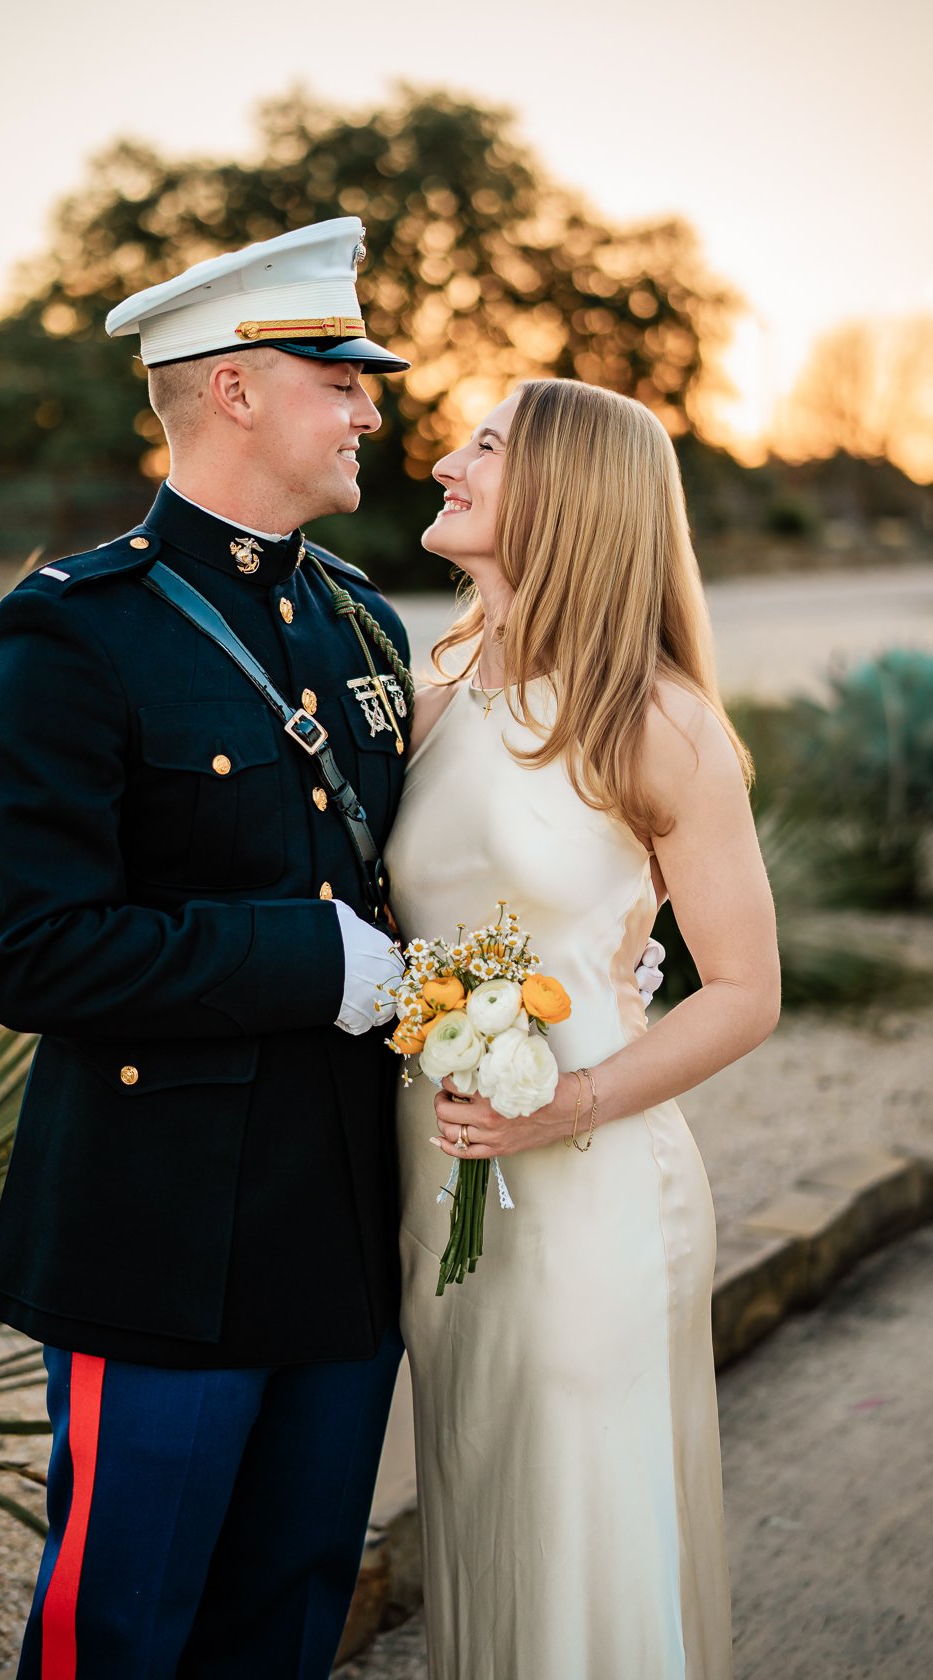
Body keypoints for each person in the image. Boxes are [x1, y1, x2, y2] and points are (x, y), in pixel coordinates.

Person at [0, 218, 415, 1679]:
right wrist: (309, 961)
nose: (371, 409)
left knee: (287, 1620)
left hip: (343, 1235)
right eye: (338, 378)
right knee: (125, 1633)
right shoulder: (70, 635)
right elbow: (32, 952)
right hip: (157, 1243)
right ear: (234, 390)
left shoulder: (363, 620)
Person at [386, 377, 781, 1679]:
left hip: (593, 1195)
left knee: (581, 1543)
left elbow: (744, 990)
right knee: (485, 1522)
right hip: (442, 1187)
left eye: (484, 446)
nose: (445, 461)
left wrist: (567, 1101)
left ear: (567, 493)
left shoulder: (655, 722)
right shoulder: (433, 698)